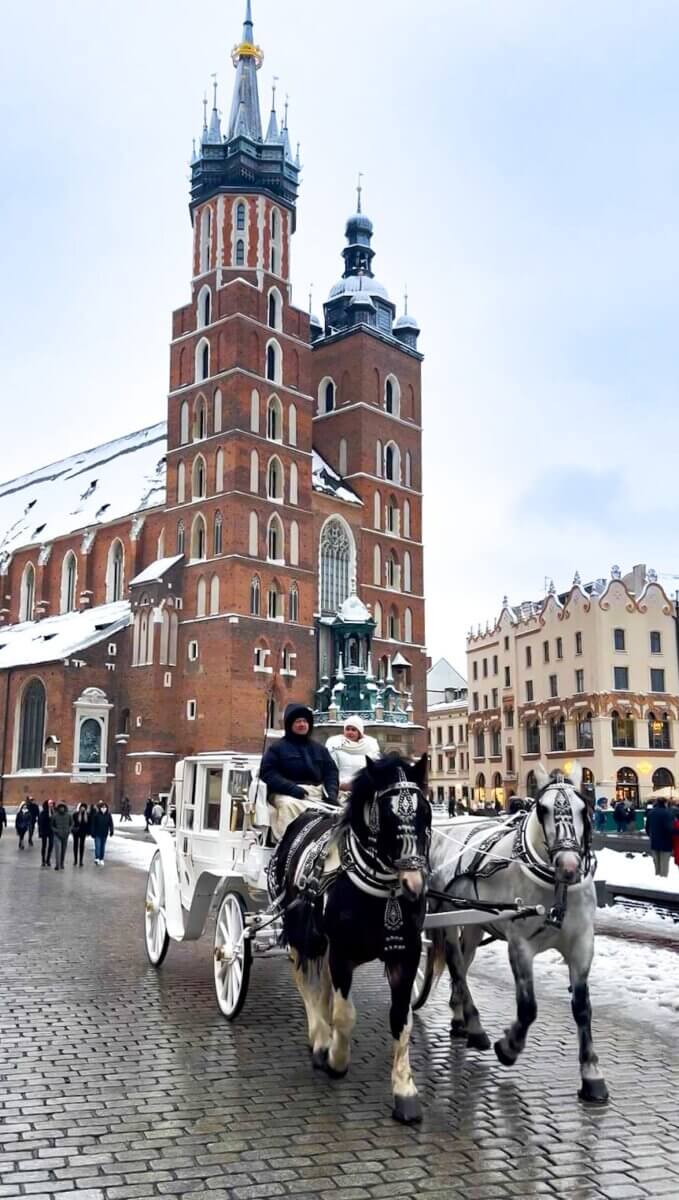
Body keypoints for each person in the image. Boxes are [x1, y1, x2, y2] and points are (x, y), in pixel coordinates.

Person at [260, 703, 339, 842]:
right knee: (289, 806)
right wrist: (291, 788)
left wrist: (331, 794)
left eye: (305, 721)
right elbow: (268, 773)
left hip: (316, 792)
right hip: (286, 793)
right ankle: (291, 844)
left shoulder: (320, 749)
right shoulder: (277, 748)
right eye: (298, 721)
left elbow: (331, 773)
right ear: (290, 724)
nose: (302, 724)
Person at [326, 716, 381, 796]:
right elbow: (331, 771)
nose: (350, 732)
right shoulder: (335, 745)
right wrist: (341, 784)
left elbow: (375, 770)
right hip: (340, 791)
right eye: (347, 729)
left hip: (364, 790)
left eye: (353, 729)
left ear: (360, 732)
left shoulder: (371, 746)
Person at [645, 791, 674, 878]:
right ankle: (663, 879)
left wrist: (651, 836)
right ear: (665, 803)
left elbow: (647, 827)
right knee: (664, 862)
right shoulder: (668, 813)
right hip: (666, 842)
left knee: (656, 862)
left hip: (654, 841)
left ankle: (657, 878)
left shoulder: (651, 813)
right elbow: (670, 828)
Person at [51, 801, 71, 871]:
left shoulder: (68, 816)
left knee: (63, 850)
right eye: (60, 807)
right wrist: (56, 830)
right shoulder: (54, 816)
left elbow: (72, 824)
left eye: (63, 807)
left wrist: (69, 830)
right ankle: (57, 864)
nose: (62, 809)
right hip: (57, 835)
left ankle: (62, 863)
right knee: (57, 850)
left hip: (65, 835)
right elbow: (51, 825)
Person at [71, 803, 89, 867]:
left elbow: (88, 824)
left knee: (82, 846)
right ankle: (75, 860)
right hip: (76, 832)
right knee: (75, 845)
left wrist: (88, 832)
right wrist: (72, 830)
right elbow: (72, 822)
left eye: (84, 807)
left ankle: (81, 861)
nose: (82, 808)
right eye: (81, 807)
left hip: (83, 832)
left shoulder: (87, 815)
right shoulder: (75, 814)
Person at [38, 800, 54, 866]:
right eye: (50, 803)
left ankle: (48, 859)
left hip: (52, 831)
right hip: (44, 830)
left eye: (52, 803)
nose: (51, 805)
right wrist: (40, 832)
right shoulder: (43, 812)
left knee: (51, 844)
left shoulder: (54, 812)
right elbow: (40, 823)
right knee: (44, 845)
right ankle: (43, 860)